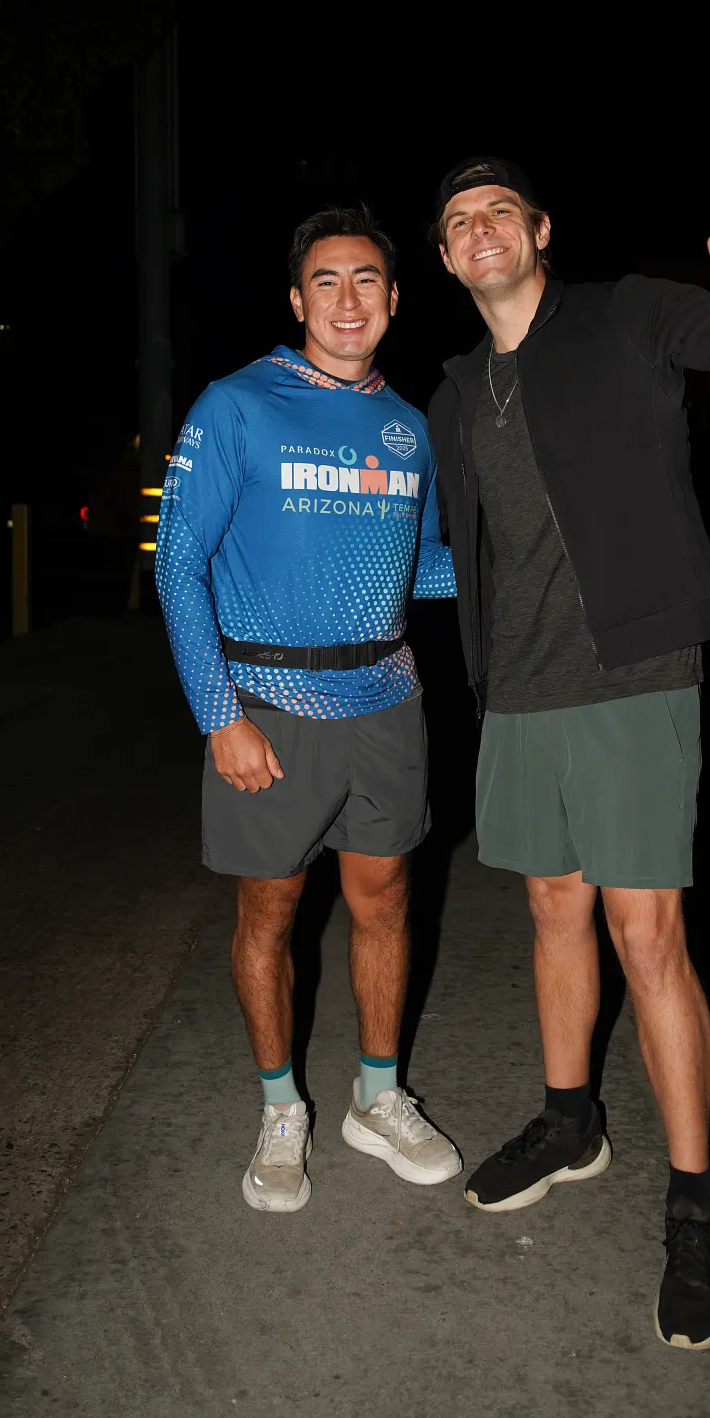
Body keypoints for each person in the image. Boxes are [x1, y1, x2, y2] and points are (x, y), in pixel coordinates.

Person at [425, 156, 710, 1348]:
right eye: (458, 220)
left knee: (647, 937)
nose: (480, 228)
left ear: (540, 229)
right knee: (553, 909)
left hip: (633, 672)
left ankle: (698, 1202)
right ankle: (571, 1124)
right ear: (445, 258)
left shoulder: (625, 316)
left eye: (500, 210)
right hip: (517, 690)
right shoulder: (456, 392)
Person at [156, 204, 461, 1214]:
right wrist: (220, 714)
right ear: (297, 300)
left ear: (395, 299)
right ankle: (282, 1107)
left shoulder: (409, 429)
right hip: (267, 703)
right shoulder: (237, 405)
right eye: (326, 281)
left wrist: (522, 569)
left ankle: (378, 1095)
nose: (347, 299)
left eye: (367, 279)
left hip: (387, 702)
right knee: (270, 912)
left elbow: (420, 568)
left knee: (385, 902)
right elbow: (179, 563)